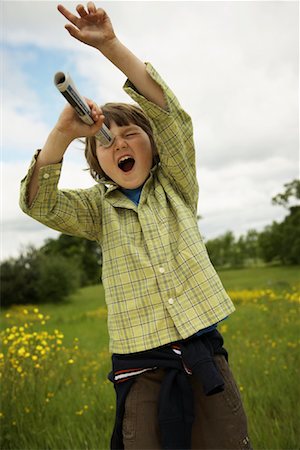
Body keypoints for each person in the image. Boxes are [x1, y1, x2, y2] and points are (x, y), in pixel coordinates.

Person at [19, 2, 252, 449]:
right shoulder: (98, 209)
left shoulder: (177, 185)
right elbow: (39, 204)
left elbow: (171, 117)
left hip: (205, 356)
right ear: (99, 162)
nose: (120, 143)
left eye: (133, 134)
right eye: (109, 140)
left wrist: (109, 45)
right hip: (140, 367)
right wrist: (64, 135)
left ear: (154, 145)